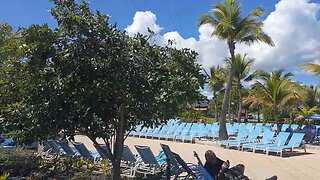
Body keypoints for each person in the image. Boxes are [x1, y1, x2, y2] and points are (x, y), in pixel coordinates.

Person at [204, 150, 277, 180]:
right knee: (240, 177)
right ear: (208, 160)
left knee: (240, 167)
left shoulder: (215, 159)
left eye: (215, 156)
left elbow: (222, 163)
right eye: (213, 158)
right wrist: (222, 170)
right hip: (223, 176)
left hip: (226, 172)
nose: (215, 159)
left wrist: (226, 164)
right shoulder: (208, 167)